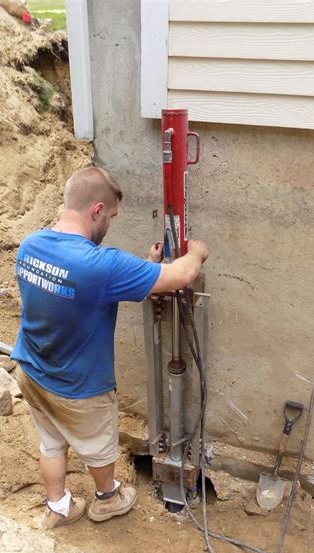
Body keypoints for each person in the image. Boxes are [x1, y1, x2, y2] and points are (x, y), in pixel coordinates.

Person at [12, 166, 208, 529]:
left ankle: (58, 507)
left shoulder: (31, 245)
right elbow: (181, 275)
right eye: (112, 216)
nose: (110, 225)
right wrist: (195, 252)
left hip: (31, 370)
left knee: (52, 442)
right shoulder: (102, 265)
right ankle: (107, 499)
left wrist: (146, 268)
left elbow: (80, 293)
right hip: (79, 388)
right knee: (99, 447)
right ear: (97, 210)